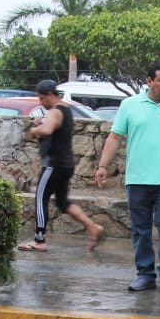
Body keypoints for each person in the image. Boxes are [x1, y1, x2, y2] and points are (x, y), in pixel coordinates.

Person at [94, 62, 160, 295]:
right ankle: (145, 275)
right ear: (149, 81)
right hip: (137, 179)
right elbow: (114, 138)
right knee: (140, 230)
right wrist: (102, 166)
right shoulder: (130, 105)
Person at [17, 79, 106, 252]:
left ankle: (39, 240)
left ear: (50, 95)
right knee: (63, 202)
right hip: (66, 164)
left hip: (53, 164)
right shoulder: (66, 110)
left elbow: (47, 130)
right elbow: (55, 126)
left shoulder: (55, 112)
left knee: (40, 198)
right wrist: (41, 121)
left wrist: (33, 132)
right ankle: (93, 227)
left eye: (42, 99)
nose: (41, 103)